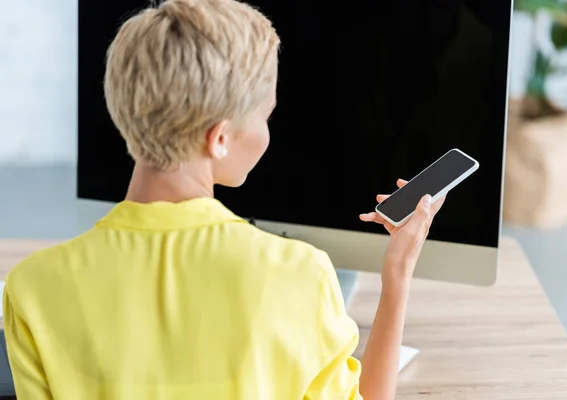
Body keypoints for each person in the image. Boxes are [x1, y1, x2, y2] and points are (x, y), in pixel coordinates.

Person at [3, 0, 444, 399]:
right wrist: (398, 271)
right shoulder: (298, 276)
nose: (268, 133)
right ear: (219, 137)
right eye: (266, 116)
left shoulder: (32, 290)